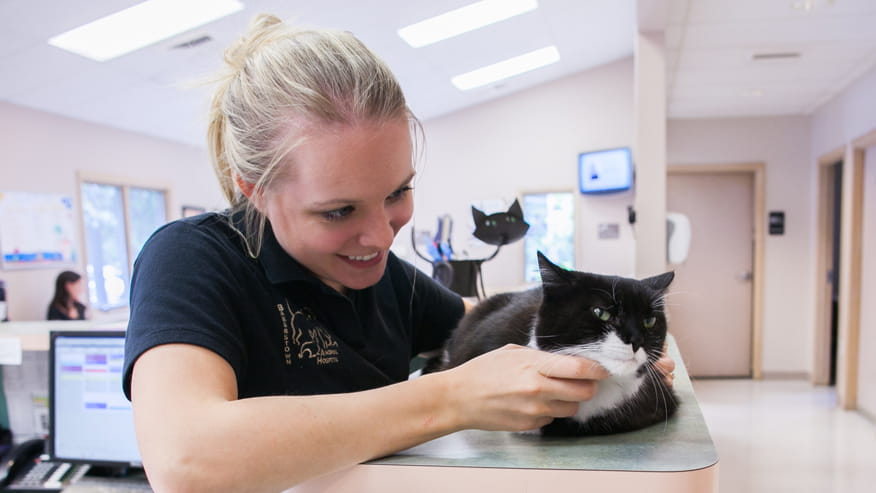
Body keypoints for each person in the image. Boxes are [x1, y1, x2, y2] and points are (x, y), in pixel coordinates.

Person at [123, 14, 675, 493]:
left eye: (397, 194)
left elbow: (480, 323)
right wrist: (453, 398)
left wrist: (588, 363)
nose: (382, 237)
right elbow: (186, 460)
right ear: (255, 190)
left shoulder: (388, 282)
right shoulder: (194, 259)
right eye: (338, 212)